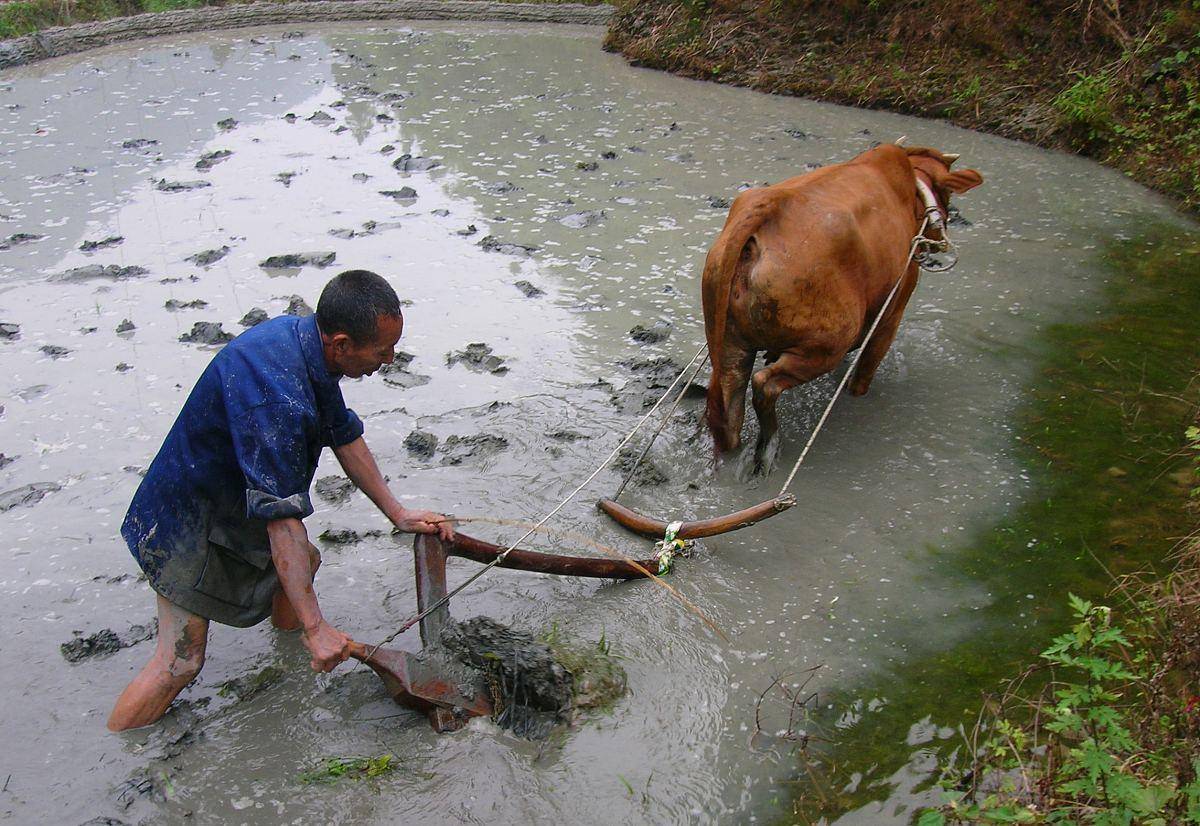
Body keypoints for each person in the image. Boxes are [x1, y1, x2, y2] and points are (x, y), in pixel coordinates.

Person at [107, 269, 452, 732]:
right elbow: (282, 520)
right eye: (382, 351)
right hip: (185, 522)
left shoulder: (309, 345)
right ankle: (123, 756)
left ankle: (293, 661)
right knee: (180, 662)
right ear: (343, 343)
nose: (390, 360)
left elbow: (343, 435)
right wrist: (318, 627)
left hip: (228, 500)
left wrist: (398, 513)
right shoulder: (275, 399)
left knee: (303, 561)